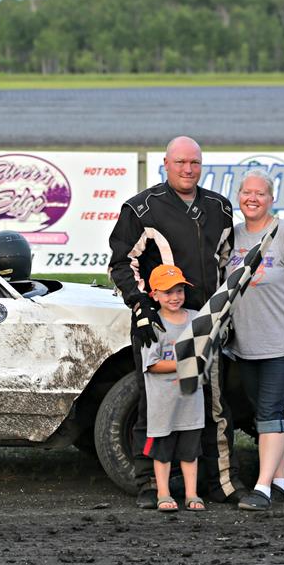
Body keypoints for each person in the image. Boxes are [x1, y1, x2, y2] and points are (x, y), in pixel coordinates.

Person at [109, 135, 245, 508]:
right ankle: (150, 486)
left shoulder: (221, 208)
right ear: (165, 165)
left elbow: (225, 264)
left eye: (195, 163)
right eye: (180, 162)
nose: (188, 169)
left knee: (213, 405)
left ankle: (217, 483)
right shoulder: (141, 208)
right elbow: (121, 262)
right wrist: (140, 305)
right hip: (159, 324)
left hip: (206, 325)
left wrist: (222, 313)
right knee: (152, 405)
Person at [225, 169, 284, 511]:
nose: (253, 198)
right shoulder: (232, 237)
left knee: (270, 412)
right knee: (260, 411)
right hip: (244, 345)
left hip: (281, 343)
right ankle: (280, 480)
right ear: (239, 197)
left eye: (260, 193)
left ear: (271, 198)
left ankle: (261, 489)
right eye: (247, 192)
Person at [142, 265, 205, 512]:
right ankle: (163, 493)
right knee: (163, 452)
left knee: (190, 452)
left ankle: (192, 494)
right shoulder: (153, 324)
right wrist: (184, 364)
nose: (175, 296)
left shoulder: (197, 318)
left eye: (179, 290)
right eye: (167, 292)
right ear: (154, 294)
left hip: (191, 400)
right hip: (162, 403)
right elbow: (153, 364)